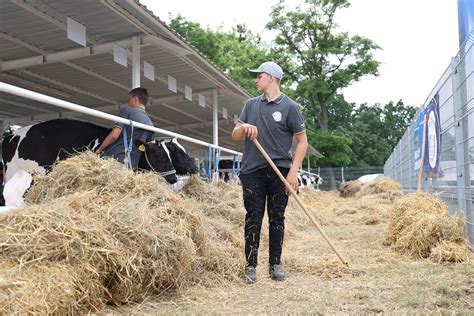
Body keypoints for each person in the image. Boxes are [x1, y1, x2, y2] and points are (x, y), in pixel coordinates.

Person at [231, 61, 308, 283]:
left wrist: (292, 174)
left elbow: (302, 142)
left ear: (271, 78)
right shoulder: (250, 104)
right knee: (253, 217)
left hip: (280, 171)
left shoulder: (290, 107)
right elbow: (235, 134)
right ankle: (250, 265)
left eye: (259, 76)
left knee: (277, 218)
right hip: (252, 170)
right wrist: (243, 128)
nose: (256, 80)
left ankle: (275, 264)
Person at [96, 87, 154, 169]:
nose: (128, 101)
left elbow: (114, 135)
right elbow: (146, 148)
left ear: (135, 99)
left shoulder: (127, 111)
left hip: (115, 159)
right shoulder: (151, 125)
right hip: (132, 166)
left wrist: (100, 149)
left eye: (129, 98)